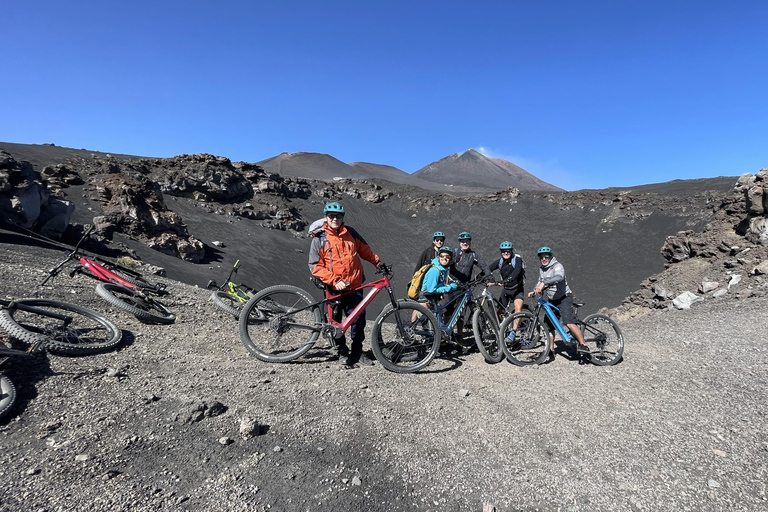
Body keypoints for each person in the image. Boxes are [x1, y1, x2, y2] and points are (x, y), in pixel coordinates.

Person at [308, 202, 386, 367]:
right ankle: (342, 351)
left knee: (359, 319)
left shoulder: (351, 233)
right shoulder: (320, 238)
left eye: (338, 216)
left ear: (342, 217)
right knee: (336, 322)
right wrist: (335, 280)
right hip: (334, 288)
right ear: (326, 218)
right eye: (331, 216)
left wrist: (378, 263)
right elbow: (315, 266)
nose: (335, 219)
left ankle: (357, 351)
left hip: (354, 285)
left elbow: (365, 250)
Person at [528, 246, 590, 356]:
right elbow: (539, 282)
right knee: (549, 325)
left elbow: (559, 277)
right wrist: (534, 291)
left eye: (546, 256)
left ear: (550, 256)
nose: (544, 259)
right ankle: (550, 350)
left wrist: (545, 283)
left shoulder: (557, 266)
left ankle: (583, 344)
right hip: (552, 300)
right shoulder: (542, 269)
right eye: (541, 257)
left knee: (568, 322)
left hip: (564, 298)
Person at [445, 231, 488, 342]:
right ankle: (444, 335)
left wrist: (489, 276)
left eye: (467, 241)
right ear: (459, 243)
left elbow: (483, 265)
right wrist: (455, 260)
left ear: (470, 242)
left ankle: (459, 335)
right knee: (448, 311)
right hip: (452, 285)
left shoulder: (473, 255)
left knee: (461, 313)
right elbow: (446, 263)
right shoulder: (454, 252)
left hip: (464, 287)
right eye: (463, 241)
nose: (465, 243)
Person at [488, 241, 525, 317]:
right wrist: (478, 278)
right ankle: (501, 328)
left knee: (518, 310)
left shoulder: (517, 260)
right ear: (501, 252)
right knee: (499, 313)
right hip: (506, 289)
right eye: (503, 251)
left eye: (508, 251)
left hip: (517, 289)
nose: (505, 253)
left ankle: (514, 329)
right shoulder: (500, 262)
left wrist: (508, 279)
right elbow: (488, 270)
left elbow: (517, 271)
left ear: (511, 251)